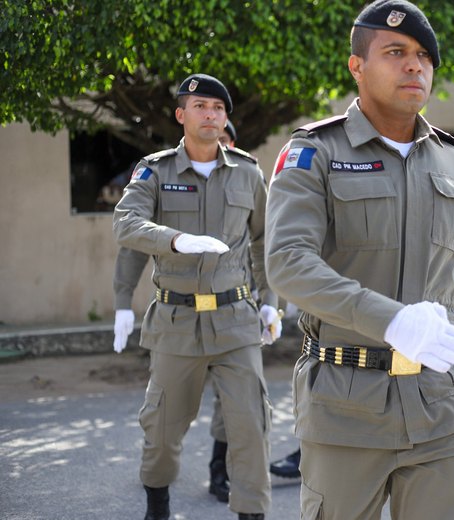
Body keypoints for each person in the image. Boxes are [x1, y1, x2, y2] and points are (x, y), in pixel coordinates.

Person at [264, 1, 454, 517]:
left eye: (423, 55)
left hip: (441, 406)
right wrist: (392, 320)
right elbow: (288, 262)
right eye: (395, 52)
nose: (414, 65)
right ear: (357, 66)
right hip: (346, 405)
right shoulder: (315, 153)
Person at [113, 73, 280, 520]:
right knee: (163, 427)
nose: (211, 115)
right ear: (181, 115)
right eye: (201, 106)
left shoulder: (247, 171)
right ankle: (158, 507)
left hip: (236, 320)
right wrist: (174, 240)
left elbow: (264, 239)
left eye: (219, 108)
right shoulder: (155, 169)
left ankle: (251, 513)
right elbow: (126, 224)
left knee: (250, 425)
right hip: (176, 319)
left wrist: (270, 300)